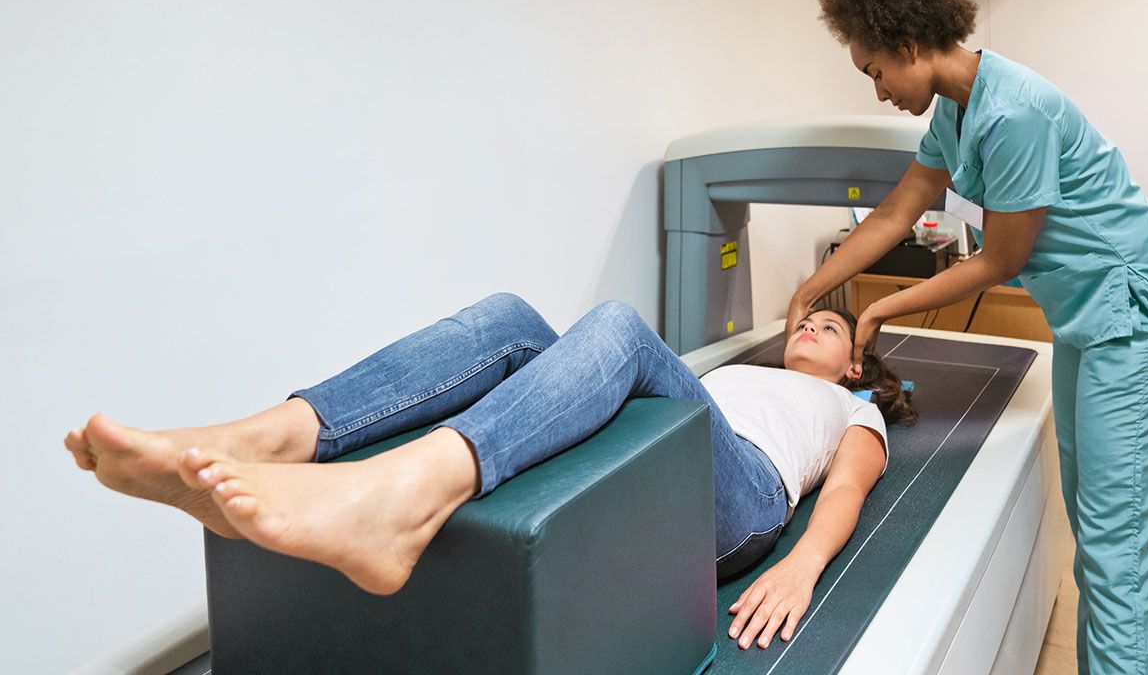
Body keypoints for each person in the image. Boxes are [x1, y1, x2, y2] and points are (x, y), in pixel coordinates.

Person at [64, 293, 914, 651]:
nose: (813, 326)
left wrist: (803, 566)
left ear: (851, 367)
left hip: (739, 494)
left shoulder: (853, 410)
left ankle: (403, 500)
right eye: (807, 318)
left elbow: (844, 489)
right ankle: (273, 438)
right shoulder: (736, 365)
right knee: (509, 316)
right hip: (658, 444)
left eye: (833, 329)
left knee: (618, 325)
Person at [794, 0, 1148, 674]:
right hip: (1092, 320)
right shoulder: (956, 112)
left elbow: (1001, 261)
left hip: (1144, 318)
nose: (879, 90)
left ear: (910, 44)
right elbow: (897, 211)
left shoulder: (1013, 111)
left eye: (875, 72)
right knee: (1099, 525)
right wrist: (812, 290)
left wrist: (879, 309)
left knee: (1121, 549)